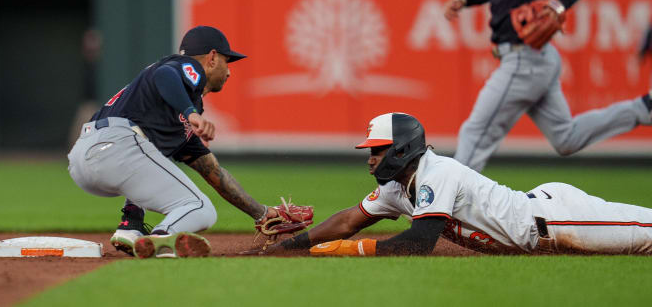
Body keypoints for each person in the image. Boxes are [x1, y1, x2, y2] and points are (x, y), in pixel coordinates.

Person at [442, 0, 652, 172]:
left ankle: (445, 206)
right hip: (532, 60)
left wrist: (559, 5)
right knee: (566, 138)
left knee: (475, 132)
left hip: (525, 57)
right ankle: (641, 109)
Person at [267, 112, 652, 257]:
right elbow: (349, 220)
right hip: (540, 213)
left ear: (401, 150)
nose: (370, 159)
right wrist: (290, 247)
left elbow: (418, 244)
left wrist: (353, 252)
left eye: (377, 151)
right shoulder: (397, 187)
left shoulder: (437, 172)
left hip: (555, 222)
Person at [68, 26, 281, 258]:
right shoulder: (186, 69)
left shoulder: (176, 114)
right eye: (226, 61)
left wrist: (262, 213)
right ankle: (162, 238)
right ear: (211, 58)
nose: (228, 71)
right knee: (201, 209)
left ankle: (130, 226)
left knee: (151, 156)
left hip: (86, 160)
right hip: (117, 144)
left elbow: (214, 173)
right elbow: (165, 75)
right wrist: (191, 113)